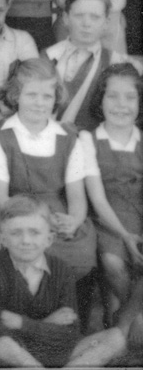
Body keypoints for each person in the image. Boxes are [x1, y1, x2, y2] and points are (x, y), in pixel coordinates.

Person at [0, 195, 126, 367]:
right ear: (3, 240)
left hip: (57, 352)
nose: (26, 241)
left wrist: (23, 323)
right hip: (16, 353)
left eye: (35, 232)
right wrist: (48, 324)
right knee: (3, 346)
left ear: (49, 239)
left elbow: (70, 331)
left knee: (116, 338)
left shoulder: (61, 269)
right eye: (16, 233)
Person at [0, 57, 97, 280]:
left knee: (79, 254)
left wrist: (73, 220)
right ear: (16, 96)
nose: (40, 103)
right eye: (31, 95)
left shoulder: (68, 139)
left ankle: (65, 309)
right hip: (16, 213)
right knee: (26, 250)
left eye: (47, 96)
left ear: (55, 97)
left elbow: (76, 196)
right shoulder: (0, 138)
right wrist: (40, 219)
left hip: (58, 213)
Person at [81, 64, 143, 343]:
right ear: (100, 100)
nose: (121, 105)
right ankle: (131, 322)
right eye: (113, 96)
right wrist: (124, 235)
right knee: (112, 260)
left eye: (130, 97)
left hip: (139, 215)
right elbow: (96, 197)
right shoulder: (88, 140)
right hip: (107, 219)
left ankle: (121, 323)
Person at [44, 0, 131, 131]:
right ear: (65, 18)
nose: (86, 24)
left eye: (95, 17)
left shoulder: (115, 62)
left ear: (106, 22)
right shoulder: (48, 55)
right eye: (79, 16)